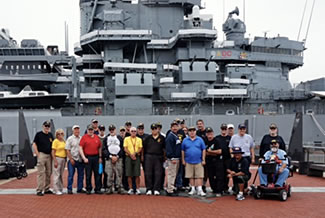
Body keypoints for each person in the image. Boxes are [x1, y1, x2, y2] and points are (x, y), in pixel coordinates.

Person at [181, 126, 206, 197]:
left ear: (195, 131)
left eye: (193, 130)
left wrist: (203, 159)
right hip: (188, 161)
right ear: (188, 132)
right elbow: (183, 150)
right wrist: (183, 160)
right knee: (190, 176)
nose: (192, 132)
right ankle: (192, 188)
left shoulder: (200, 139)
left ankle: (200, 189)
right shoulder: (185, 140)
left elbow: (203, 149)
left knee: (199, 176)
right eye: (190, 131)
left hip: (199, 161)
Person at [79, 124, 103, 195]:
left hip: (96, 157)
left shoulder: (96, 137)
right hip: (88, 157)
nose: (90, 131)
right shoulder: (84, 138)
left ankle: (97, 188)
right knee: (88, 174)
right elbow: (80, 148)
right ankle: (88, 188)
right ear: (87, 130)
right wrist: (84, 158)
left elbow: (99, 148)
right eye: (89, 130)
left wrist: (100, 157)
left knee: (97, 174)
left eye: (92, 130)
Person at [32, 120, 54, 196]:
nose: (47, 127)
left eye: (48, 126)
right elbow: (34, 144)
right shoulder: (39, 134)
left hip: (49, 156)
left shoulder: (50, 135)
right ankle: (39, 189)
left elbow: (53, 146)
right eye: (46, 126)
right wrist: (38, 154)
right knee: (41, 173)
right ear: (43, 126)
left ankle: (47, 188)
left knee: (49, 172)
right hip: (42, 154)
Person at [143, 123, 165, 196]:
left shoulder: (162, 138)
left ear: (158, 129)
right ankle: (149, 188)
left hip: (158, 157)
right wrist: (143, 157)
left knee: (158, 173)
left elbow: (164, 148)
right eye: (153, 129)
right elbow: (144, 148)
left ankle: (156, 189)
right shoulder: (148, 138)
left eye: (155, 129)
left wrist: (164, 157)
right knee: (148, 173)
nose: (154, 130)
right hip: (149, 156)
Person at [103, 125, 124, 194]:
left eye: (113, 129)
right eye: (110, 129)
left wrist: (117, 156)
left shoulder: (119, 138)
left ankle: (119, 187)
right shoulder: (106, 138)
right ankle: (109, 188)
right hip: (109, 158)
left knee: (119, 173)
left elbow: (122, 148)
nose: (112, 131)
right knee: (109, 173)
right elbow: (104, 149)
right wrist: (110, 156)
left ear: (115, 130)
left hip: (118, 158)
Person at [66, 125, 85, 194]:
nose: (77, 131)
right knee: (71, 175)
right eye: (75, 129)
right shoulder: (70, 139)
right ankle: (69, 188)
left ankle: (80, 188)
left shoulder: (82, 138)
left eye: (78, 129)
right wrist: (70, 159)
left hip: (80, 160)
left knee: (81, 175)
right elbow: (67, 150)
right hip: (72, 159)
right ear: (73, 131)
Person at [205, 127, 224, 197]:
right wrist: (212, 153)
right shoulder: (205, 141)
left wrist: (210, 152)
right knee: (211, 176)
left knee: (219, 176)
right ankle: (214, 189)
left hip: (217, 161)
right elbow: (205, 153)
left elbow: (219, 151)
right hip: (209, 162)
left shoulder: (217, 141)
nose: (209, 135)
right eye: (208, 133)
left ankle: (219, 190)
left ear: (213, 133)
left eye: (210, 133)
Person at [124, 127, 143, 195]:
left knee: (137, 174)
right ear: (130, 132)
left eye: (135, 131)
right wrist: (131, 155)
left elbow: (140, 148)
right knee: (129, 174)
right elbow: (125, 148)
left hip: (136, 157)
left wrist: (135, 153)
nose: (133, 132)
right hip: (128, 157)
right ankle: (130, 188)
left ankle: (137, 189)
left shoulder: (139, 139)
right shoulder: (126, 139)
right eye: (132, 131)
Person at [165, 122, 182, 196]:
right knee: (171, 174)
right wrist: (172, 158)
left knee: (174, 174)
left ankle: (172, 187)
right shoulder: (170, 136)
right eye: (173, 127)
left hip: (177, 158)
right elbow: (168, 148)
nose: (175, 128)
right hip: (173, 159)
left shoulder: (176, 136)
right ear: (171, 128)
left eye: (176, 126)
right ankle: (170, 190)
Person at [215, 124, 232, 194]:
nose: (224, 130)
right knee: (220, 174)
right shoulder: (217, 138)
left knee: (227, 174)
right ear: (220, 129)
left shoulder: (230, 138)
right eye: (222, 129)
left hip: (228, 159)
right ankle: (219, 188)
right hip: (219, 159)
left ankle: (226, 188)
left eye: (225, 129)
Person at [51, 129, 67, 195]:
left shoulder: (64, 141)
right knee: (56, 174)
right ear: (56, 135)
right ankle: (55, 189)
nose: (60, 135)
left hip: (63, 159)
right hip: (57, 158)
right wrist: (55, 161)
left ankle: (60, 188)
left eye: (61, 134)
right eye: (58, 134)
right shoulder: (55, 141)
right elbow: (53, 152)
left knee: (60, 174)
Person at [98, 125, 108, 191]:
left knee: (106, 172)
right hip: (99, 157)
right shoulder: (96, 138)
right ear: (98, 130)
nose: (102, 131)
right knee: (99, 172)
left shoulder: (107, 138)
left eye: (103, 130)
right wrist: (99, 157)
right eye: (100, 129)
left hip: (105, 157)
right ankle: (99, 185)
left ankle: (105, 185)